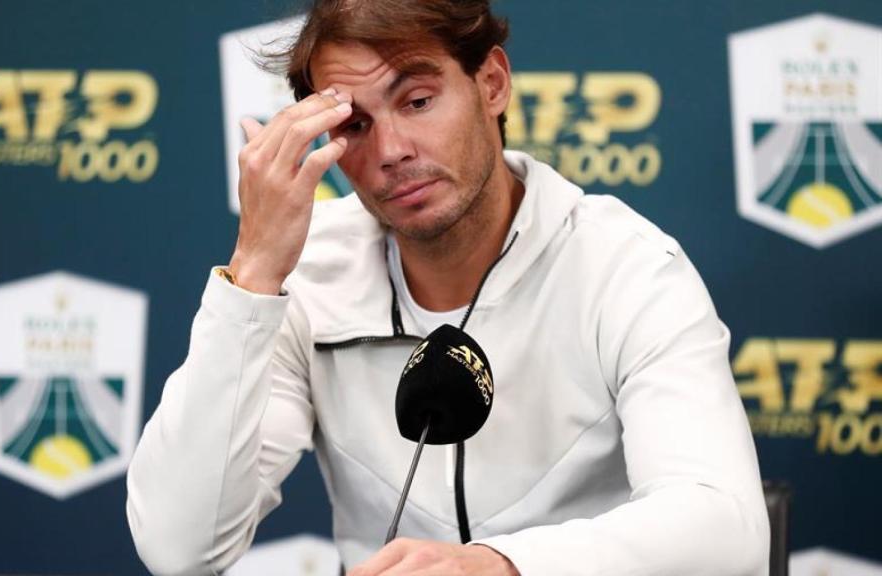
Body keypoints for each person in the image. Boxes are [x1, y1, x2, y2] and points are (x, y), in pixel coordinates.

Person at [126, 0, 770, 574]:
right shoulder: (306, 275)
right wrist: (254, 274)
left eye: (417, 101)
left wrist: (500, 567)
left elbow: (725, 530)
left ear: (491, 83)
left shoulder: (624, 266)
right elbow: (181, 549)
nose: (391, 150)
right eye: (354, 125)